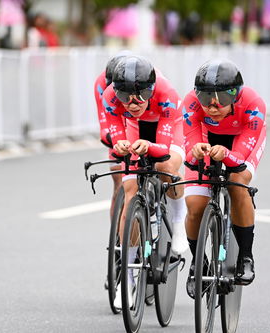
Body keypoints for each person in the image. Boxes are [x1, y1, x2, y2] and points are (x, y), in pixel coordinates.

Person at [102, 55, 189, 307]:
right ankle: (126, 279)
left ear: (152, 89)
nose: (133, 102)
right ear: (116, 92)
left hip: (167, 125)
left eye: (141, 95)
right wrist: (120, 145)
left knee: (165, 167)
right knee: (130, 189)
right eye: (125, 96)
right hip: (135, 127)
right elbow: (117, 143)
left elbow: (162, 149)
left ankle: (177, 219)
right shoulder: (110, 98)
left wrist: (149, 147)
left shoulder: (166, 93)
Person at [180, 59, 267, 297]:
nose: (213, 106)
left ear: (236, 97)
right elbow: (191, 145)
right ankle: (199, 262)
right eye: (206, 98)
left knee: (237, 185)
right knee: (195, 205)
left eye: (222, 99)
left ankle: (246, 256)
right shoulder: (190, 104)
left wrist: (227, 155)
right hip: (208, 140)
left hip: (241, 143)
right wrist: (197, 150)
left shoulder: (253, 104)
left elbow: (240, 158)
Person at [93, 50, 132, 219]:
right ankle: (117, 237)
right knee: (119, 179)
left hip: (140, 119)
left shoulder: (143, 79)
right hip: (117, 121)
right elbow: (105, 128)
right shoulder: (101, 84)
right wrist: (116, 141)